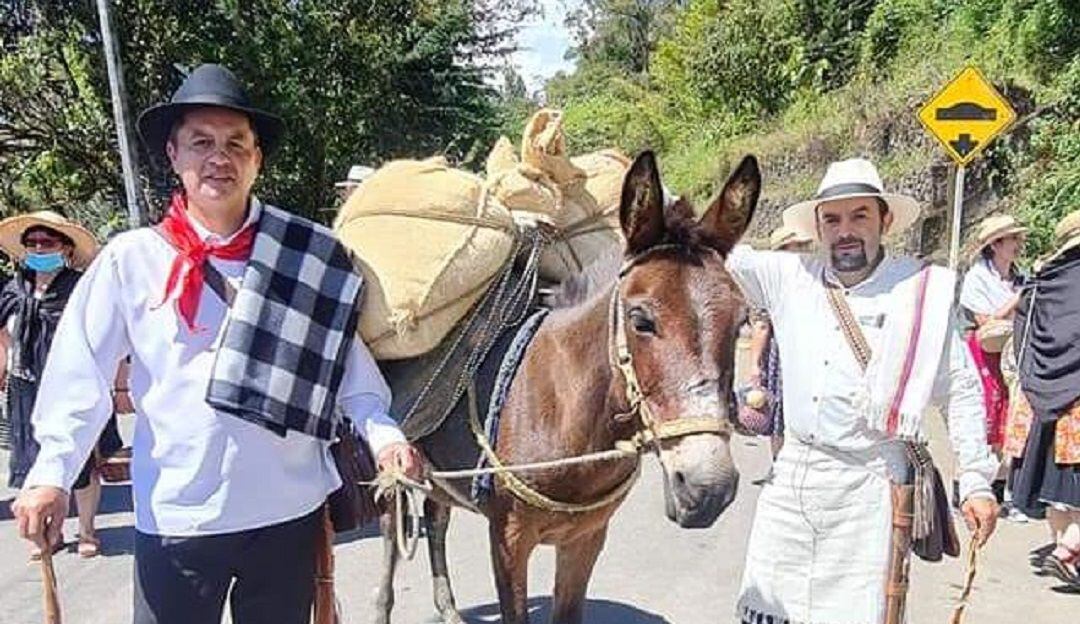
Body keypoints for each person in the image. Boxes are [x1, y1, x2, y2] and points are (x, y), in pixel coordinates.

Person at [10, 64, 421, 624]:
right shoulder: (131, 260)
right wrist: (51, 475)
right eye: (201, 142)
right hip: (177, 519)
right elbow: (78, 375)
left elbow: (349, 371)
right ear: (174, 155)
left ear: (256, 159)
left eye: (236, 144)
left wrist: (386, 437)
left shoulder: (306, 254)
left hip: (287, 513)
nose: (218, 158)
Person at [727, 158, 999, 624]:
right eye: (832, 219)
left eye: (859, 216)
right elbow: (707, 241)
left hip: (873, 487)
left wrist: (975, 479)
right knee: (770, 609)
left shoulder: (918, 293)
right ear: (817, 228)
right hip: (793, 478)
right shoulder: (789, 278)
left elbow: (961, 388)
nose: (845, 231)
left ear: (884, 220)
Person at [0, 211, 126, 558]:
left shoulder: (82, 289)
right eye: (33, 243)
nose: (39, 248)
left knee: (83, 464)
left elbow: (106, 341)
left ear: (66, 248)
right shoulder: (13, 290)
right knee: (35, 462)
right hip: (25, 389)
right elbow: (4, 338)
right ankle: (48, 536)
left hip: (76, 387)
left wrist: (119, 389)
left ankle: (87, 530)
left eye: (48, 242)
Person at [1011, 208, 1080, 588]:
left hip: (1043, 397)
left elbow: (1022, 334)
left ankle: (1064, 554)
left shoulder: (1042, 282)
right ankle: (1066, 551)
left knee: (1060, 494)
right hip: (1078, 396)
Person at [959, 214, 1029, 518]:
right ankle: (965, 489)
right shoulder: (978, 277)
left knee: (1007, 418)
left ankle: (1000, 494)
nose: (1017, 245)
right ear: (996, 244)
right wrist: (1016, 301)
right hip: (982, 352)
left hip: (1012, 354)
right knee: (982, 416)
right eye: (1012, 239)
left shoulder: (1019, 277)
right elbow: (984, 321)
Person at [745, 225, 813, 457]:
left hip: (804, 353)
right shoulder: (775, 282)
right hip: (783, 354)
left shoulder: (810, 277)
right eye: (797, 248)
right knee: (781, 415)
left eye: (803, 247)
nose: (802, 252)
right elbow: (761, 325)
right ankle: (781, 463)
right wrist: (754, 365)